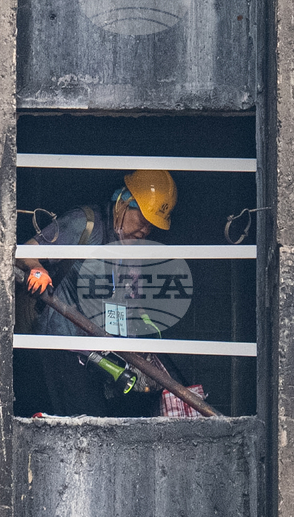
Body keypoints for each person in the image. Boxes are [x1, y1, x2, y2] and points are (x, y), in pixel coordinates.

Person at [16, 169, 177, 417]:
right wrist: (37, 268)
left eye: (152, 226)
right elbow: (25, 251)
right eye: (142, 220)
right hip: (65, 348)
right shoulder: (84, 223)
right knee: (81, 419)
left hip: (105, 355)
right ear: (123, 202)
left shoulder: (132, 248)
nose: (145, 230)